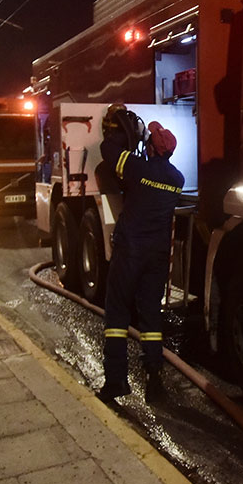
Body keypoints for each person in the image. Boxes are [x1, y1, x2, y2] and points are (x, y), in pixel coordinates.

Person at [96, 107, 184, 404]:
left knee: (118, 313)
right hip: (157, 257)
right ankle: (154, 382)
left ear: (150, 148)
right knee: (151, 317)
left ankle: (116, 380)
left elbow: (108, 150)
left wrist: (119, 128)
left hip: (130, 252)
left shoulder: (136, 168)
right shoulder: (177, 179)